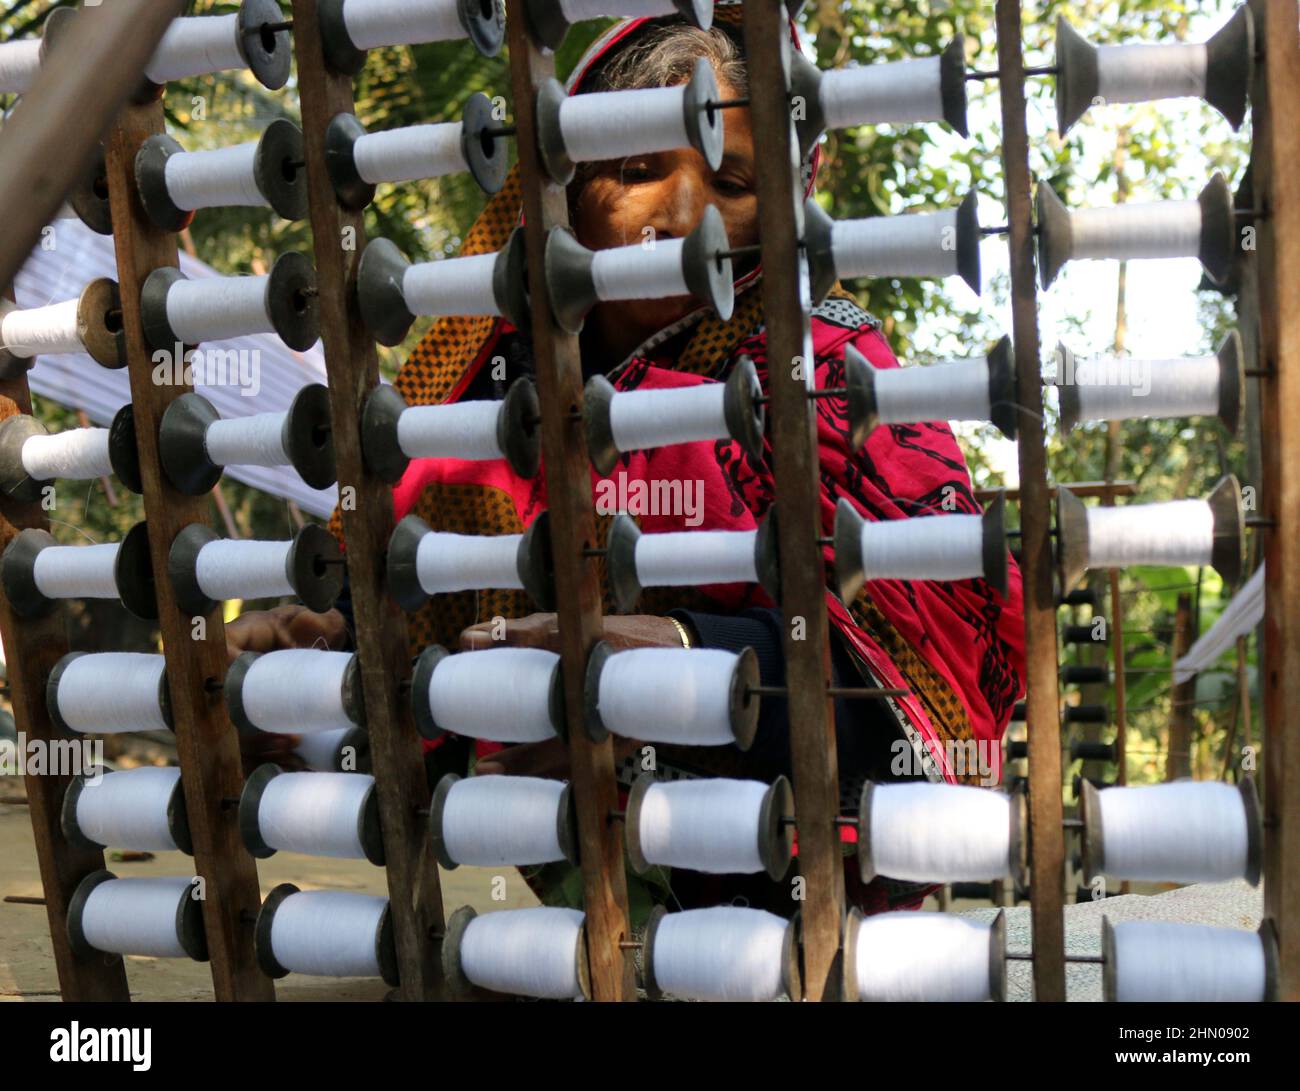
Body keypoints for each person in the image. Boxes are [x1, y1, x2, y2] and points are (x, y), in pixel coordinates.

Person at [228, 4, 1027, 920]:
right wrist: (319, 656)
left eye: (731, 183)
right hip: (564, 931)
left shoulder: (835, 385)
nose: (685, 220)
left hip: (792, 925)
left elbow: (939, 709)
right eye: (640, 170)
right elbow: (416, 667)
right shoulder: (476, 398)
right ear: (562, 185)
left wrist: (684, 667)